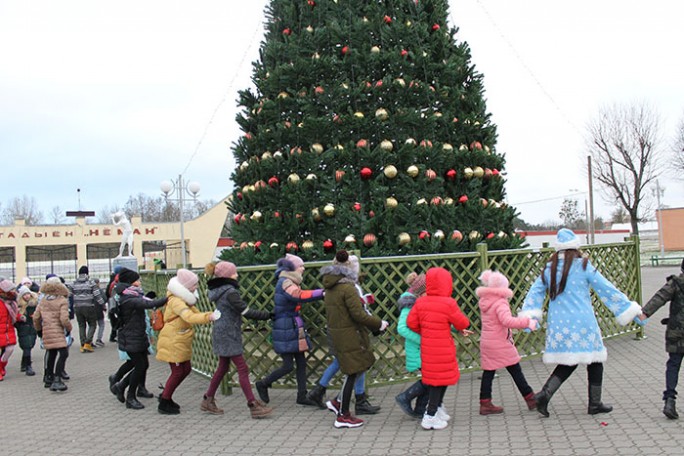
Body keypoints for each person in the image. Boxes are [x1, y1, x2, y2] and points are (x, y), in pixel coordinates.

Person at [520, 228, 642, 418]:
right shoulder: (584, 265)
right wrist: (629, 310)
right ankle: (593, 403)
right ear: (575, 247)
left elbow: (534, 294)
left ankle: (545, 394)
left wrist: (531, 318)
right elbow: (606, 288)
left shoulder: (549, 269)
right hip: (583, 321)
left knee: (569, 361)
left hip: (559, 323)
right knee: (595, 360)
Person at [319, 250, 388, 428]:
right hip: (351, 334)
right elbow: (358, 315)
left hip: (340, 333)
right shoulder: (348, 289)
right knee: (353, 371)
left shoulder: (331, 287)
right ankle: (342, 415)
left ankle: (338, 403)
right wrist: (379, 324)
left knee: (356, 369)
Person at [200, 261, 273, 419]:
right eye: (234, 273)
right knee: (243, 368)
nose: (237, 275)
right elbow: (245, 311)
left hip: (221, 330)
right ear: (227, 275)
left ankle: (208, 399)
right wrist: (268, 315)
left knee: (223, 368)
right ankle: (252, 404)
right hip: (229, 333)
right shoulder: (231, 292)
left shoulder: (218, 290)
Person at [255, 254, 324, 407]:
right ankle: (263, 383)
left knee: (301, 363)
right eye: (301, 266)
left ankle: (302, 395)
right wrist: (321, 293)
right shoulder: (285, 282)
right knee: (288, 365)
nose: (303, 268)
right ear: (292, 268)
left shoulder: (290, 281)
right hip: (286, 326)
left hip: (292, 325)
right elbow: (298, 296)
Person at [407, 267, 471, 430]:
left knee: (438, 380)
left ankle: (437, 410)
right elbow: (462, 323)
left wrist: (426, 331)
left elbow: (411, 323)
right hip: (443, 347)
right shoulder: (448, 303)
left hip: (428, 348)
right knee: (439, 381)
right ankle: (430, 415)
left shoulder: (421, 302)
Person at [156, 268, 220, 415]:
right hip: (173, 339)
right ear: (185, 286)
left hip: (179, 339)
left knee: (186, 369)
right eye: (194, 285)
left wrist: (209, 315)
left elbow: (196, 313)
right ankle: (165, 401)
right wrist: (209, 317)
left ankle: (166, 394)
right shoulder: (176, 301)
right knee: (178, 371)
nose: (196, 287)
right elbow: (189, 317)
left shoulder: (184, 299)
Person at [476, 269, 538, 415]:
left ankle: (485, 402)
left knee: (489, 371)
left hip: (487, 341)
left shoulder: (485, 301)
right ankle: (530, 398)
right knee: (515, 369)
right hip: (500, 342)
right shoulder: (500, 302)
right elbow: (507, 321)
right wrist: (527, 322)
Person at [110, 268, 168, 410]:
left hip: (137, 336)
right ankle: (130, 396)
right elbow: (148, 304)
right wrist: (169, 297)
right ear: (130, 282)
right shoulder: (128, 298)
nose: (139, 282)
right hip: (131, 337)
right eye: (137, 279)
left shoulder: (132, 295)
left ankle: (121, 386)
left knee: (143, 365)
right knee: (140, 365)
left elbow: (146, 301)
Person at [639, 259, 684, 419]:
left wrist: (644, 313)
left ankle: (669, 400)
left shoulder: (675, 283)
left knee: (673, 365)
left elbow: (660, 297)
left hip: (676, 333)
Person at [394, 272, 429, 418]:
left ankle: (420, 409)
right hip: (418, 348)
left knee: (429, 379)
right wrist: (423, 339)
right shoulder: (409, 304)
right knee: (431, 379)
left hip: (423, 348)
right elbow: (402, 328)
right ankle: (405, 397)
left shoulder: (418, 300)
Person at [33, 276, 72, 391]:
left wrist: (39, 330)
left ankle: (48, 377)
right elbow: (64, 319)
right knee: (63, 353)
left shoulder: (43, 300)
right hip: (58, 330)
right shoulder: (62, 300)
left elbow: (36, 317)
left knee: (51, 352)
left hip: (46, 329)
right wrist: (69, 328)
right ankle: (57, 378)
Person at [70, 265, 106, 353]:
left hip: (77, 307)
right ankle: (87, 343)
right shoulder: (91, 283)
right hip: (89, 306)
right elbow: (97, 296)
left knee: (81, 325)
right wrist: (103, 304)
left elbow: (69, 295)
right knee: (92, 324)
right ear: (87, 273)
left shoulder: (73, 283)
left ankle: (82, 344)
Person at [15, 286, 39, 376]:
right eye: (24, 294)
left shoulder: (34, 305)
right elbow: (14, 319)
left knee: (30, 345)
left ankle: (24, 364)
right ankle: (28, 366)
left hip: (32, 328)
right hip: (23, 329)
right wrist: (20, 325)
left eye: (28, 293)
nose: (27, 296)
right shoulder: (19, 306)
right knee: (26, 347)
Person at [0, 278, 19, 381]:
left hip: (8, 330)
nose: (13, 292)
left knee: (9, 349)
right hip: (1, 330)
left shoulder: (11, 302)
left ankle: (1, 366)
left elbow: (14, 313)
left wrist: (19, 317)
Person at [105, 266, 122, 342]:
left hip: (112, 302)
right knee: (119, 319)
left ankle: (113, 335)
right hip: (118, 302)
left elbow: (107, 293)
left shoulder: (111, 280)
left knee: (113, 319)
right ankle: (116, 335)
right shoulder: (118, 280)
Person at [93, 278, 106, 347]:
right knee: (101, 324)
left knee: (92, 326)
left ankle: (89, 340)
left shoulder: (89, 290)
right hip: (98, 309)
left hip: (91, 310)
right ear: (98, 283)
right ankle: (99, 339)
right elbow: (104, 298)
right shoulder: (99, 290)